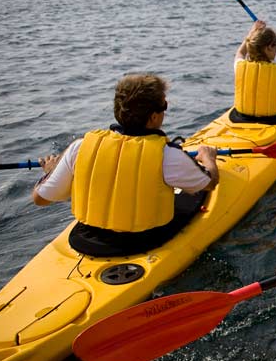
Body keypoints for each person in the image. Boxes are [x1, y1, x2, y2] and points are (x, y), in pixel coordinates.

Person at [33, 74, 220, 256]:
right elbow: (209, 183)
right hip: (144, 240)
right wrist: (208, 157)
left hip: (88, 239)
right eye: (164, 106)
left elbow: (40, 199)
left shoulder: (79, 147)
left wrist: (51, 171)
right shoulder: (168, 155)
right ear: (153, 117)